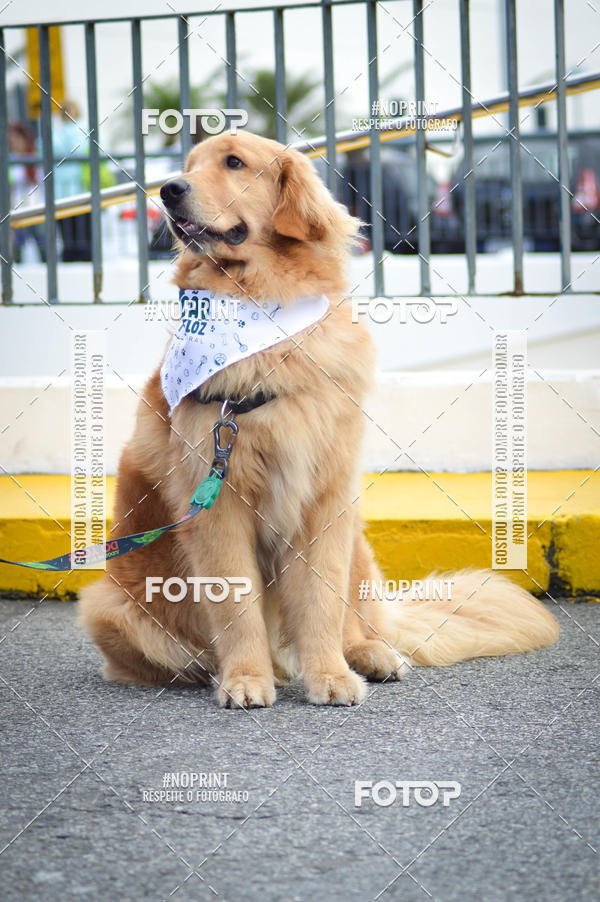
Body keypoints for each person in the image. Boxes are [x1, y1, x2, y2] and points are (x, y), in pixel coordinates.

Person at [7, 121, 46, 262]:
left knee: (45, 250)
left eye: (16, 139)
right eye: (11, 140)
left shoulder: (35, 157)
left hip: (37, 209)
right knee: (17, 252)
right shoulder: (10, 160)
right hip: (18, 211)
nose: (13, 143)